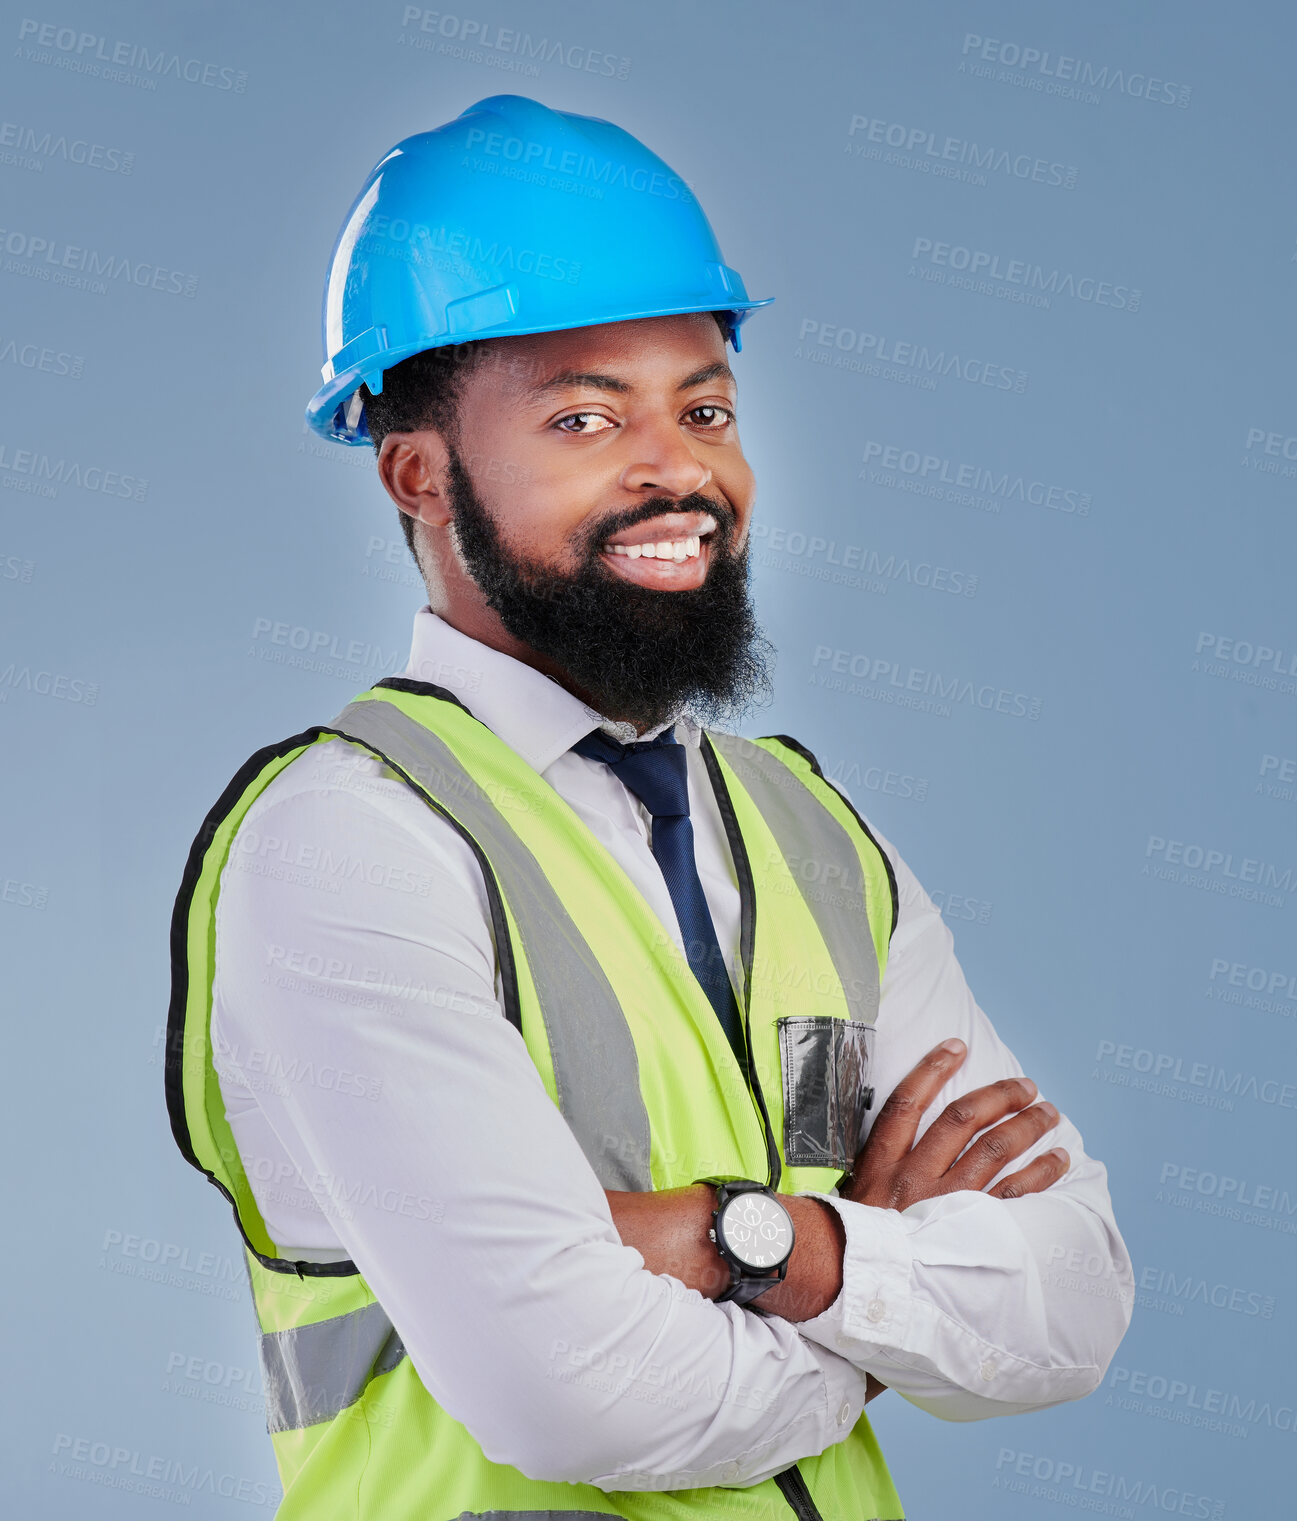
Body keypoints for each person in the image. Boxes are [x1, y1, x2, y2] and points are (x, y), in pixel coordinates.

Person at [166, 94, 1133, 1521]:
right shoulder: (348, 842)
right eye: (580, 414)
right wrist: (873, 1285)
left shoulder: (813, 835)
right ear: (418, 472)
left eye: (704, 408)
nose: (673, 466)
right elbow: (569, 1390)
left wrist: (751, 1244)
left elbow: (1068, 1309)